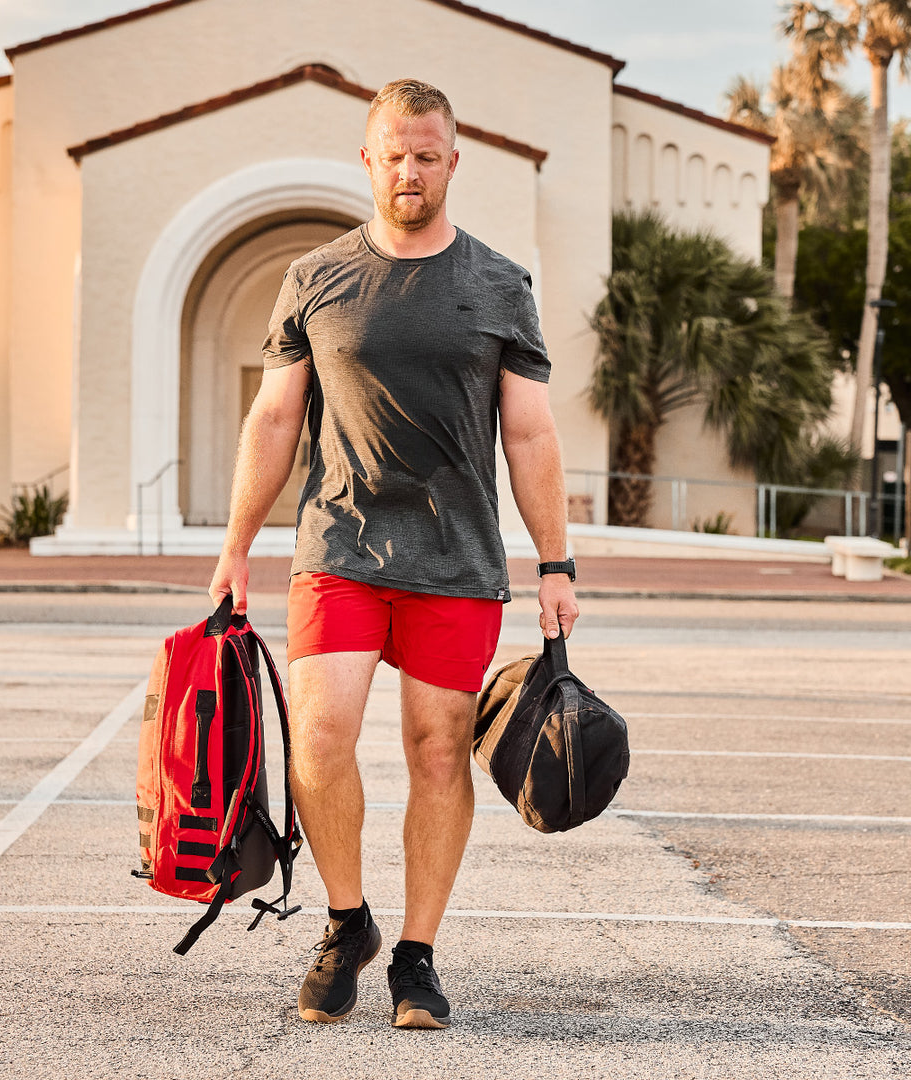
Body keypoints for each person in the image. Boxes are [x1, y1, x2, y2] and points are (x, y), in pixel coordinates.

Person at [209, 77, 579, 1030]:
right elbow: (276, 414)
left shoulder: (500, 285)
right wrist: (235, 548)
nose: (410, 170)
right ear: (367, 161)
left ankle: (416, 954)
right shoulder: (316, 277)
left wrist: (556, 565)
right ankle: (346, 923)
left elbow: (530, 436)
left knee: (437, 751)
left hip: (456, 560)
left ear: (453, 161)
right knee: (321, 740)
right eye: (394, 154)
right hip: (338, 543)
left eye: (428, 154)